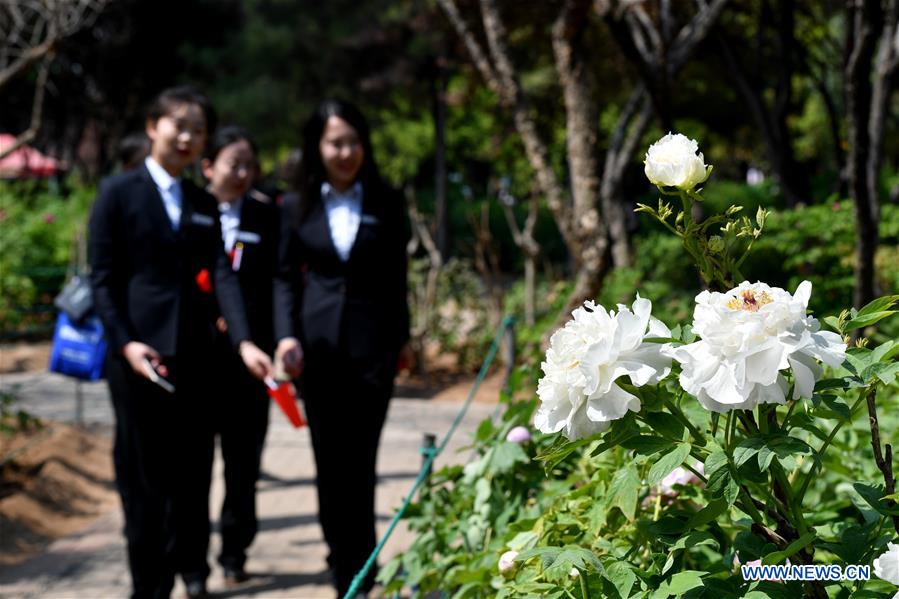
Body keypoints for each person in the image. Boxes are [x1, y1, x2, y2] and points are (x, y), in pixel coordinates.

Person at [88, 86, 272, 599]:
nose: (189, 137)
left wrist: (243, 342)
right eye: (180, 125)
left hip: (197, 359)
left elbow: (222, 274)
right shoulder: (117, 193)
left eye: (199, 130)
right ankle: (149, 585)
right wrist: (125, 344)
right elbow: (102, 280)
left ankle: (191, 570)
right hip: (137, 363)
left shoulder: (199, 201)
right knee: (143, 482)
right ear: (153, 126)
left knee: (193, 475)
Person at [274, 99, 412, 597]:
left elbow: (398, 277)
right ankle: (341, 563)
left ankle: (365, 566)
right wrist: (285, 336)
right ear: (318, 147)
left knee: (363, 461)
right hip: (317, 352)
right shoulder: (294, 205)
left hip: (373, 349)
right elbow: (285, 278)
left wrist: (404, 337)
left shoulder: (386, 201)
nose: (345, 152)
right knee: (329, 463)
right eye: (335, 142)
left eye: (353, 141)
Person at [181, 125, 279, 588]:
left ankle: (235, 551)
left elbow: (278, 283)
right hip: (197, 361)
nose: (242, 174)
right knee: (193, 468)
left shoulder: (267, 215)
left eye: (248, 166)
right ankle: (193, 565)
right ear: (208, 167)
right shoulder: (186, 210)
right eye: (232, 164)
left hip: (250, 361)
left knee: (242, 466)